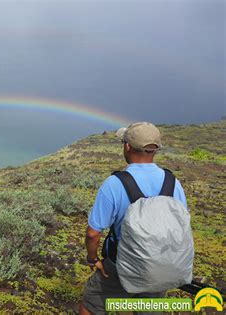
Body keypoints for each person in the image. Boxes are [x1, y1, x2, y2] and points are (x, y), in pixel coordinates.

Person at [79, 122, 188, 315]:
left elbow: (92, 233)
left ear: (127, 146)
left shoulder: (114, 184)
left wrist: (93, 258)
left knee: (91, 305)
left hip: (121, 264)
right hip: (161, 264)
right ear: (155, 149)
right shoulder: (173, 182)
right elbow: (181, 224)